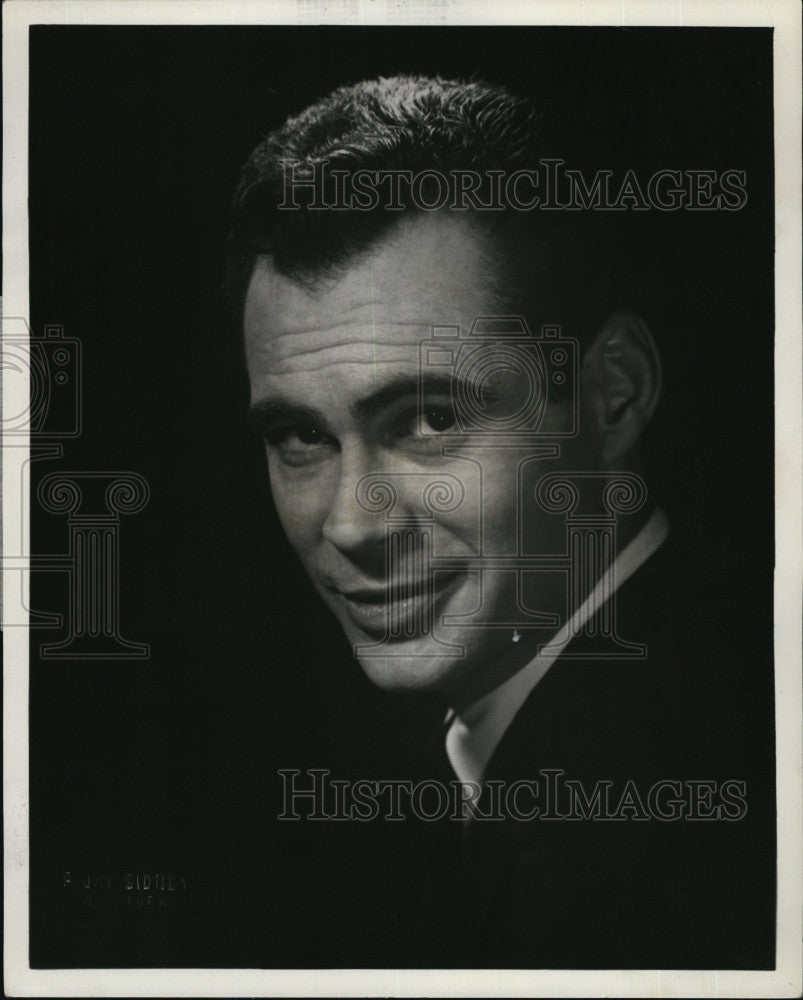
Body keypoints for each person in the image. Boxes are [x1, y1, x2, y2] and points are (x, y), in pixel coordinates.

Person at [226, 75, 775, 968]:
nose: (353, 526)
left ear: (612, 394)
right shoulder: (581, 748)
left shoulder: (690, 827)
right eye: (299, 436)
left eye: (430, 421)